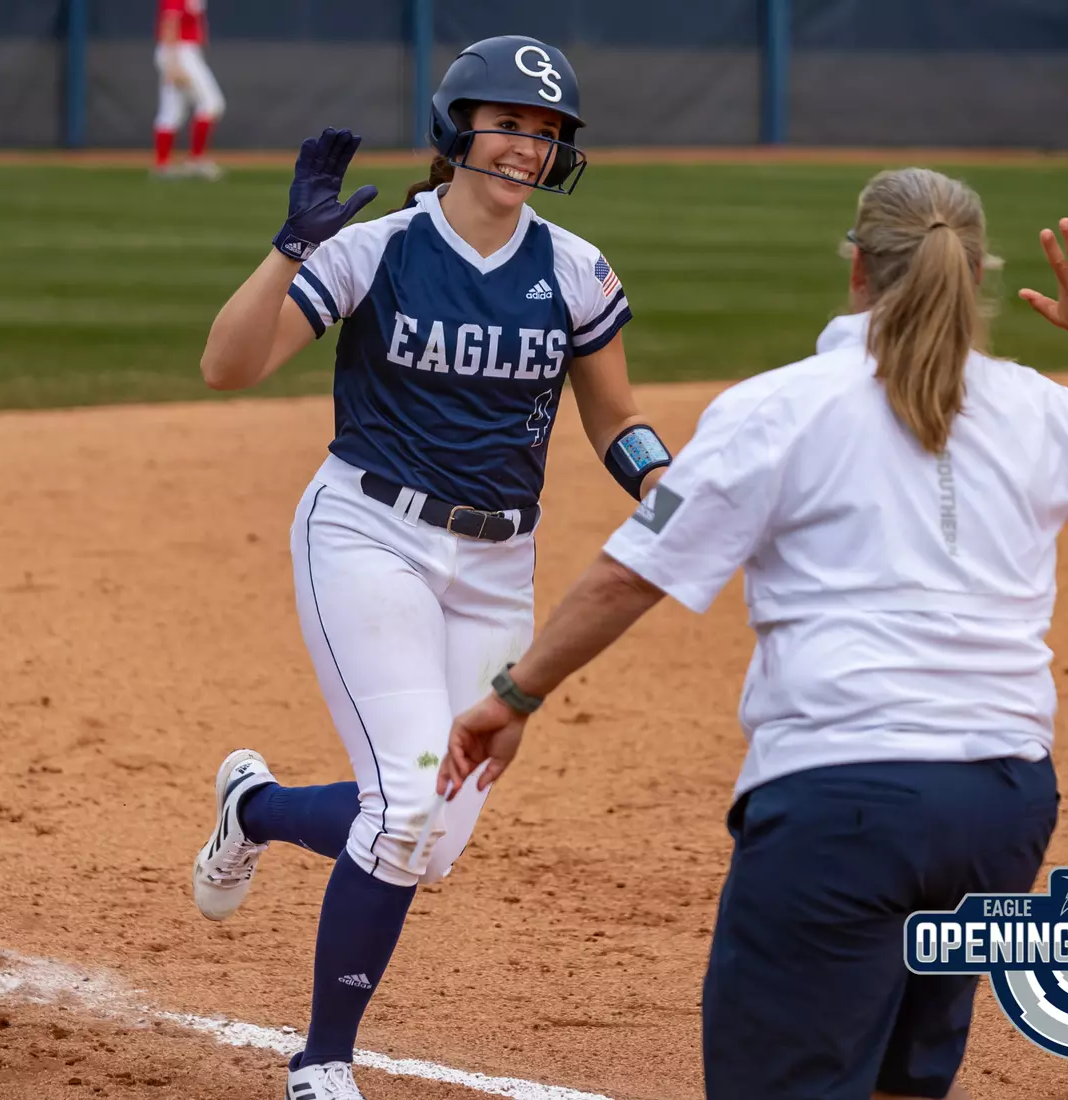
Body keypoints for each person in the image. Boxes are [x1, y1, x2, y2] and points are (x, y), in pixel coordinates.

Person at [437, 168, 1068, 1100]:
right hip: (1003, 805)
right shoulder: (1034, 405)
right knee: (900, 1082)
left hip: (843, 804)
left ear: (857, 269)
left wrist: (512, 697)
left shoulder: (776, 407)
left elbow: (628, 573)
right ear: (974, 272)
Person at [189, 36, 676, 1100]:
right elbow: (227, 366)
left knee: (430, 840)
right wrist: (287, 251)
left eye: (547, 134)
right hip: (369, 535)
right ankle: (321, 1059)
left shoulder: (577, 270)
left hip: (499, 566)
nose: (527, 148)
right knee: (403, 812)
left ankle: (256, 807)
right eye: (508, 123)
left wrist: (672, 492)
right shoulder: (376, 249)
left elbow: (618, 421)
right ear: (459, 130)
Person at [153, 0, 225, 179]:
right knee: (211, 104)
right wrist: (171, 63)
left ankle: (163, 165)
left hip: (186, 51)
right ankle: (196, 159)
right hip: (179, 51)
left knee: (171, 111)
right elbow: (170, 21)